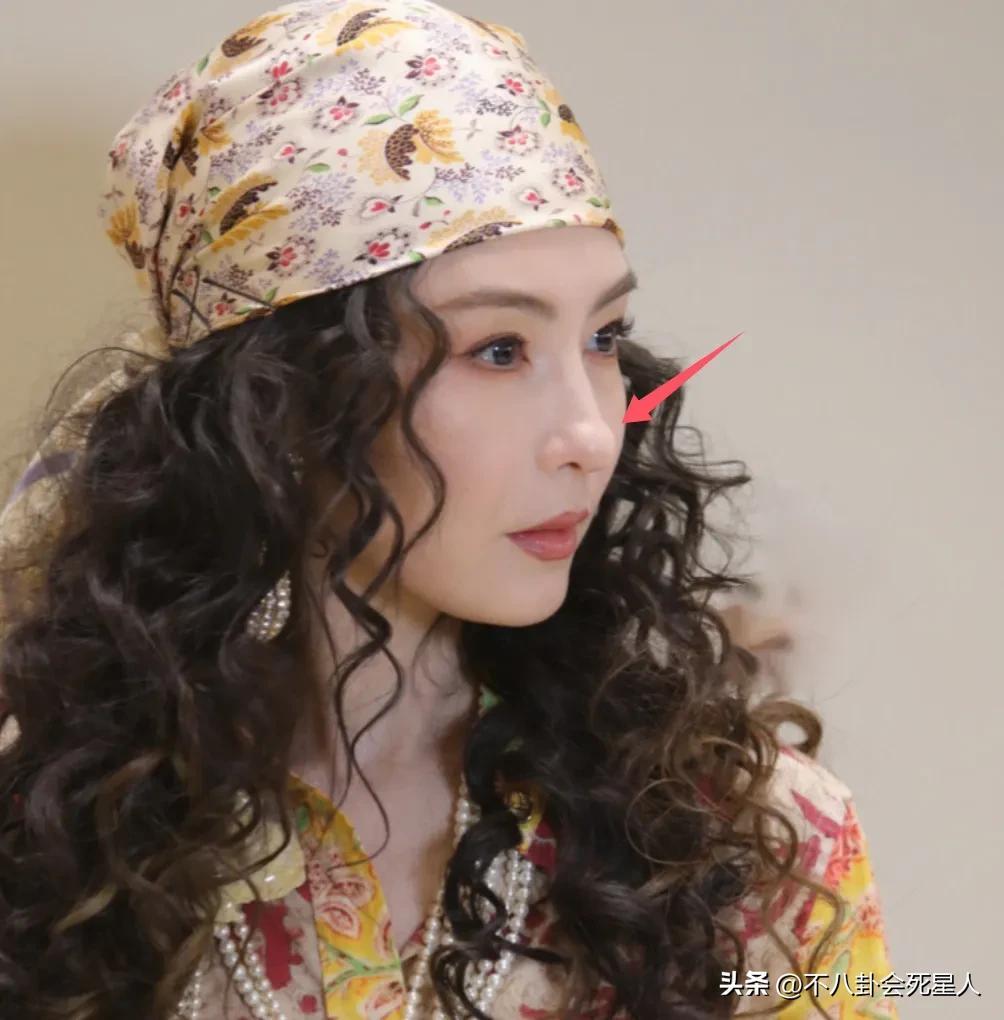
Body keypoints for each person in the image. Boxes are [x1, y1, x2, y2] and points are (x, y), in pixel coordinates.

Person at [0, 2, 897, 1018]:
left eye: (603, 339)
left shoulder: (744, 841)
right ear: (281, 400)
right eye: (499, 350)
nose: (592, 433)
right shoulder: (48, 836)